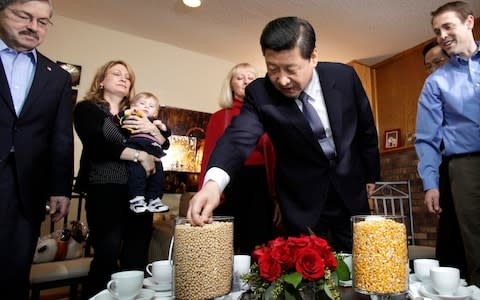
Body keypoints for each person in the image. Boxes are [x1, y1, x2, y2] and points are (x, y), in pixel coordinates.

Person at [188, 16, 380, 253]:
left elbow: (365, 130)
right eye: (272, 69)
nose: (282, 80)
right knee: (309, 275)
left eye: (291, 69)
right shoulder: (260, 93)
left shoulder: (344, 77)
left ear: (313, 57)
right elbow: (238, 137)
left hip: (350, 190)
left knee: (361, 262)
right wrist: (213, 185)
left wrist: (371, 175)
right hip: (302, 199)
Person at [74, 60, 167, 298]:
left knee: (136, 256)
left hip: (139, 193)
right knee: (106, 254)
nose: (124, 78)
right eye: (117, 73)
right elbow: (97, 145)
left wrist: (153, 131)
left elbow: (163, 143)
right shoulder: (88, 109)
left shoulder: (139, 114)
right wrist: (140, 155)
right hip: (106, 190)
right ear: (101, 81)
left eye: (128, 76)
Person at [0, 0, 73, 298]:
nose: (33, 26)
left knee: (14, 273)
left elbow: (60, 137)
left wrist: (61, 188)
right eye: (24, 16)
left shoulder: (57, 76)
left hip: (26, 188)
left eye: (42, 22)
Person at [415, 1, 480, 286]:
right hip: (467, 167)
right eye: (436, 30)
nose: (442, 35)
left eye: (447, 26)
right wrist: (431, 183)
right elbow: (427, 138)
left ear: (469, 22)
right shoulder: (435, 83)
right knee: (475, 241)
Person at [198, 63, 280, 254]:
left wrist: (277, 199)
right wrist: (208, 189)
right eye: (239, 77)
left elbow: (276, 159)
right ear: (231, 84)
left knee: (260, 243)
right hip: (230, 182)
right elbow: (209, 155)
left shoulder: (269, 117)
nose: (245, 81)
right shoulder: (219, 117)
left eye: (251, 77)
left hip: (261, 185)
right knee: (227, 244)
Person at [421, 40, 467, 278]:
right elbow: (426, 140)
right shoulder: (431, 95)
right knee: (450, 239)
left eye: (438, 62)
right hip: (449, 169)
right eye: (428, 66)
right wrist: (431, 184)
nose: (432, 70)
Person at [112, 91, 171, 213]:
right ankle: (137, 199)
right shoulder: (132, 117)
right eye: (142, 104)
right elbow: (115, 121)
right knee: (136, 174)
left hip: (154, 151)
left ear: (155, 112)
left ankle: (154, 199)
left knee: (158, 175)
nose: (146, 107)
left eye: (151, 106)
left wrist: (162, 127)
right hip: (137, 148)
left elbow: (166, 139)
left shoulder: (155, 122)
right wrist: (126, 113)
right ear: (133, 106)